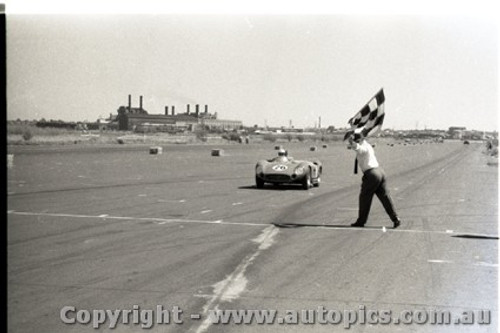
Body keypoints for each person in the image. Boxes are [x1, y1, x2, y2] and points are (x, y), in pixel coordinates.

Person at [347, 130, 401, 228]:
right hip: (380, 171)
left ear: (359, 140)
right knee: (385, 197)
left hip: (372, 174)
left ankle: (361, 221)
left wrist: (352, 143)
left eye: (356, 140)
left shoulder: (363, 147)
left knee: (365, 198)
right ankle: (395, 218)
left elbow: (359, 149)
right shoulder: (368, 145)